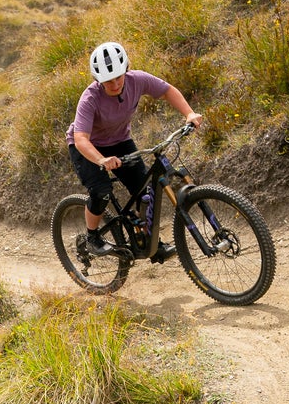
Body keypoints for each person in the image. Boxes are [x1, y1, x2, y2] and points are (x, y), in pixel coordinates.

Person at [67, 40, 205, 260]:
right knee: (101, 191)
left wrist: (189, 113)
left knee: (145, 194)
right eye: (107, 81)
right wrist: (101, 160)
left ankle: (150, 243)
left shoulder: (137, 80)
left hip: (120, 141)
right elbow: (81, 138)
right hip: (88, 148)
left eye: (118, 77)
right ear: (97, 80)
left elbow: (167, 91)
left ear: (126, 70)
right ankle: (92, 237)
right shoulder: (90, 98)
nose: (114, 84)